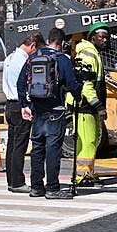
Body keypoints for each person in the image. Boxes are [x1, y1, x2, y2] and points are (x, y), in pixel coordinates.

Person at [18, 28, 78, 199]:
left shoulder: (32, 58)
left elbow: (20, 84)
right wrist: (78, 96)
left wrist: (25, 104)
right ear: (61, 43)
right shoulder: (62, 59)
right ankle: (52, 187)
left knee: (37, 149)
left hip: (37, 111)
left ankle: (36, 187)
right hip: (56, 111)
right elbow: (73, 85)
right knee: (53, 150)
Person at [2, 32, 44, 194]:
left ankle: (12, 179)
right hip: (20, 105)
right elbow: (25, 84)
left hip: (9, 104)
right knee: (20, 144)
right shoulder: (23, 61)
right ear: (32, 46)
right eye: (36, 50)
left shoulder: (10, 58)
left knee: (12, 144)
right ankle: (18, 181)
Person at [74, 22, 110, 185]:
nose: (105, 40)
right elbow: (86, 86)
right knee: (87, 142)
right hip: (84, 107)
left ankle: (88, 173)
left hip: (90, 108)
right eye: (102, 37)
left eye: (106, 37)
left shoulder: (93, 53)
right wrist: (99, 106)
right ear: (93, 37)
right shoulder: (88, 55)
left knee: (92, 140)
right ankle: (82, 176)